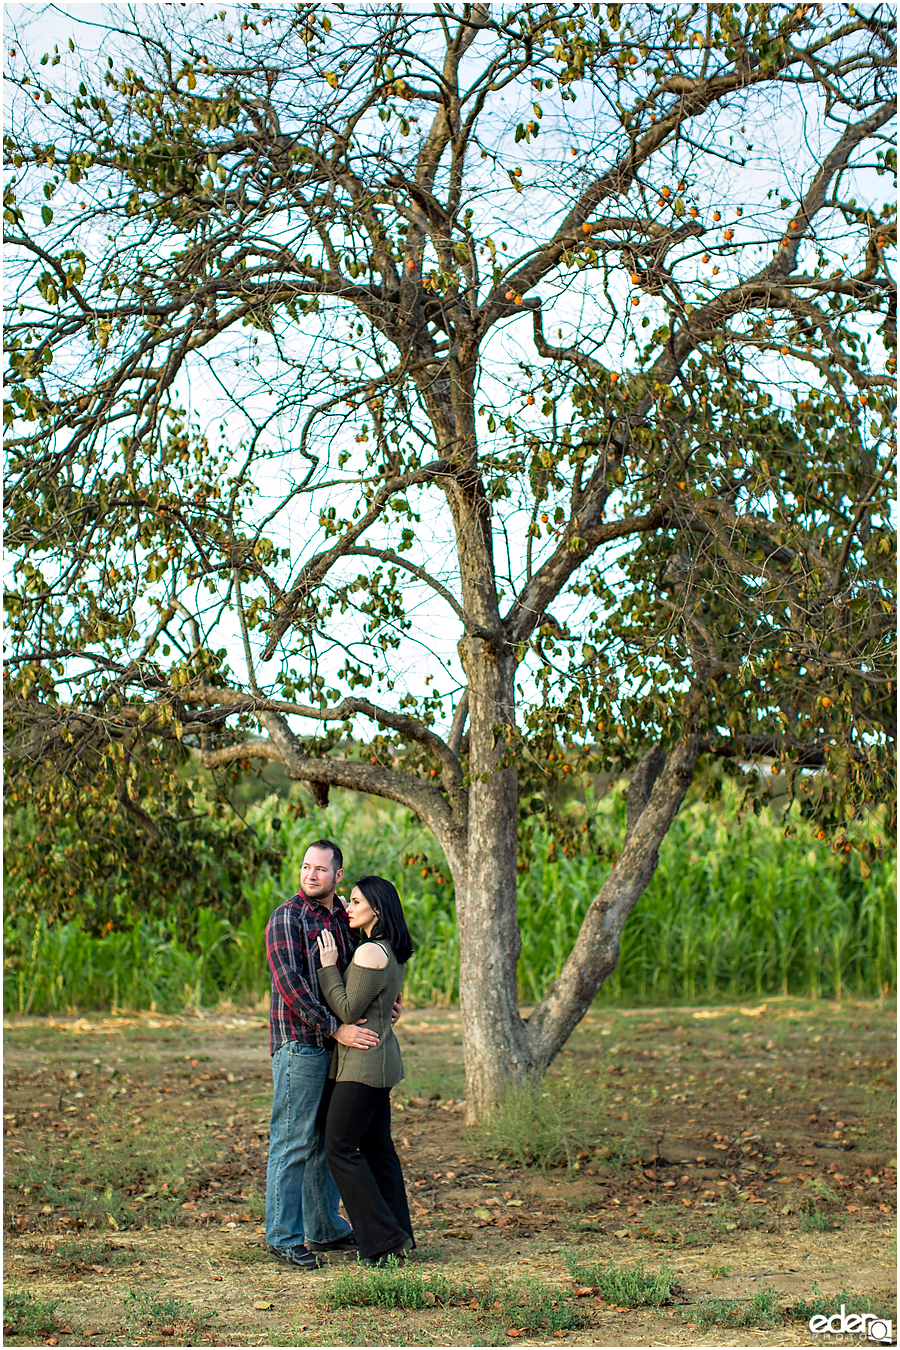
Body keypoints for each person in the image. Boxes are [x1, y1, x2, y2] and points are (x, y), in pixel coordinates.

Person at [265, 839, 384, 1270]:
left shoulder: (343, 918)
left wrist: (383, 1000)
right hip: (302, 1044)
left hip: (338, 1047)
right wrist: (338, 1028)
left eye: (320, 869)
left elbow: (356, 976)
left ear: (338, 875)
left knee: (324, 1142)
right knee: (293, 1140)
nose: (310, 875)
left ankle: (324, 1227)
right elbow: (292, 987)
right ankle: (282, 1236)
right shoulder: (287, 917)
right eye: (305, 867)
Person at [316, 875, 415, 1267]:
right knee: (378, 1149)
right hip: (379, 1062)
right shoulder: (388, 950)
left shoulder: (369, 953)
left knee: (339, 1146)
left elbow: (348, 1011)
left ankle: (382, 1238)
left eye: (355, 902)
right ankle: (399, 1234)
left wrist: (327, 968)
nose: (348, 907)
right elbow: (378, 1006)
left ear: (377, 907)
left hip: (363, 1065)